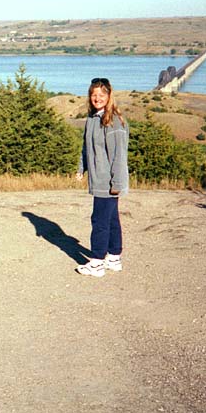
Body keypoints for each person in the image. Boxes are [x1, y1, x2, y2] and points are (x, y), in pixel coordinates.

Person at [75, 77, 129, 277]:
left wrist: (117, 183)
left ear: (109, 96)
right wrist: (82, 168)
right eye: (93, 94)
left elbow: (119, 156)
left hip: (108, 182)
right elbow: (86, 148)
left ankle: (96, 263)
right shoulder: (92, 119)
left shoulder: (113, 121)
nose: (97, 98)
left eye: (101, 95)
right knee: (111, 218)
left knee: (99, 220)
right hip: (98, 178)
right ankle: (114, 257)